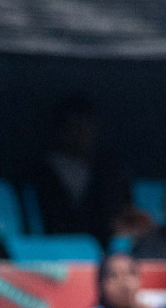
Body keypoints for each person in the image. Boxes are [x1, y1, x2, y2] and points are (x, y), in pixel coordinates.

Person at [32, 97, 129, 246]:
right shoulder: (41, 171)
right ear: (60, 130)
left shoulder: (106, 169)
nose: (81, 133)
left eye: (87, 126)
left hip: (105, 245)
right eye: (75, 126)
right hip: (61, 244)